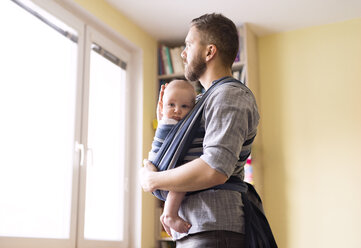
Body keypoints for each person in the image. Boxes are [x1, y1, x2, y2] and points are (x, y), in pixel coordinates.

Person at [141, 13, 260, 247]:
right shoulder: (203, 100)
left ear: (209, 51)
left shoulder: (229, 95)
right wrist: (168, 128)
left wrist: (153, 179)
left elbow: (214, 169)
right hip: (200, 229)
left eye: (188, 45)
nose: (183, 53)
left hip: (214, 227)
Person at [148, 79, 196, 236]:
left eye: (184, 106)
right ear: (163, 107)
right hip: (162, 163)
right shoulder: (168, 123)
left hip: (159, 164)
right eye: (171, 105)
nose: (177, 110)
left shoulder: (171, 121)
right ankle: (169, 214)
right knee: (182, 181)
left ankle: (168, 214)